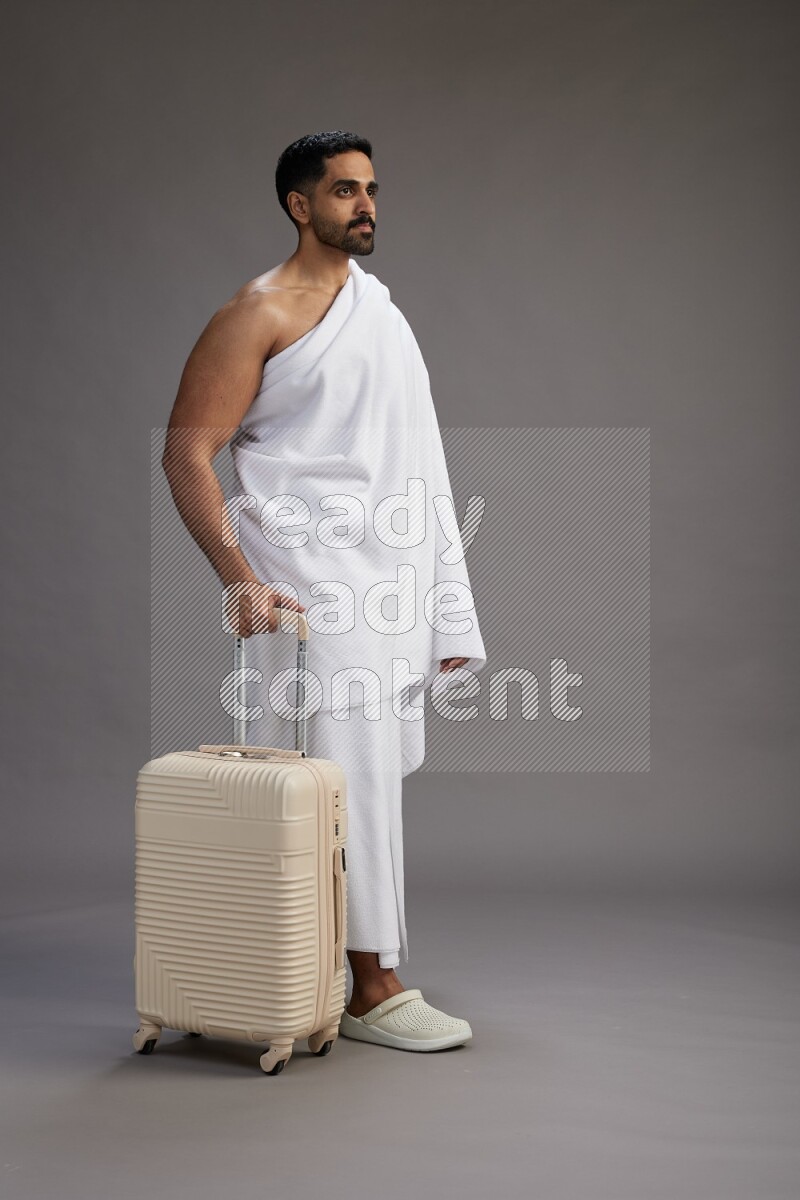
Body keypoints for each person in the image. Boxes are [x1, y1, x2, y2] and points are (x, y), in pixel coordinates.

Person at [161, 130, 485, 1052]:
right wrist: (241, 581)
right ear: (300, 206)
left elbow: (422, 465)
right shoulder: (254, 314)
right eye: (345, 191)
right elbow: (187, 453)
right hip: (304, 591)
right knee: (330, 785)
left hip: (386, 587)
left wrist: (446, 607)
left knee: (361, 782)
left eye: (372, 188)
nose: (366, 205)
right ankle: (373, 984)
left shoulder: (380, 310)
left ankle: (296, 973)